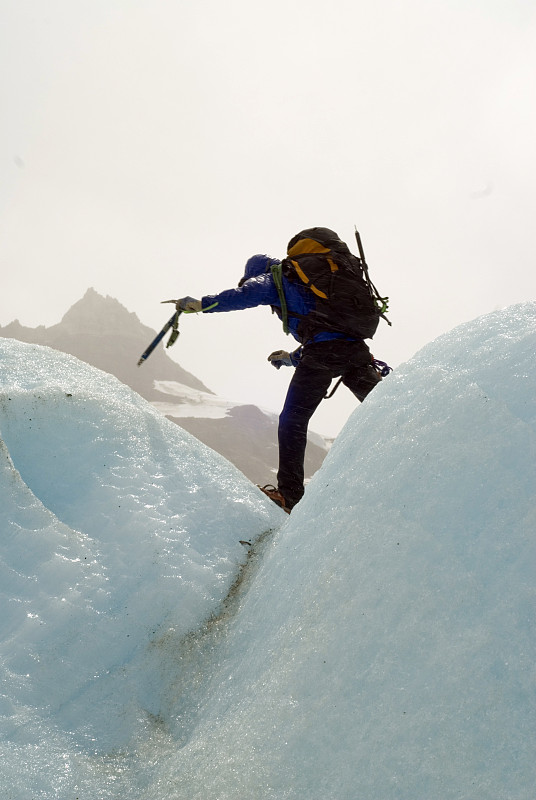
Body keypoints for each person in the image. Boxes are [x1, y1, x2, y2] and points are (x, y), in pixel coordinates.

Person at [173, 227, 387, 513]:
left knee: (292, 422)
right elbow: (328, 331)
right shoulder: (318, 275)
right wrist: (290, 358)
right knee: (385, 407)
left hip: (322, 356)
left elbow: (245, 295)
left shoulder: (276, 275)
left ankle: (290, 496)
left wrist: (201, 305)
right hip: (357, 352)